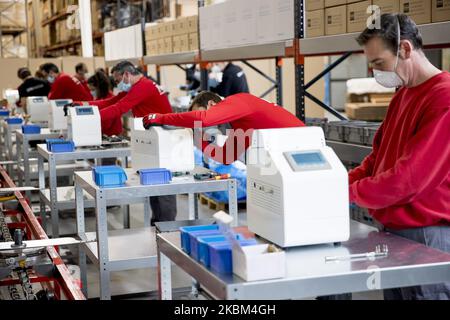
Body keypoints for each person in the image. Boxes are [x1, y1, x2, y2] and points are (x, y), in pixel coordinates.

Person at [350, 13, 450, 300]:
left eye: (379, 63)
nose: (375, 73)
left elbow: (410, 179)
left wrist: (350, 193)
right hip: (393, 232)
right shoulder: (403, 94)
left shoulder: (443, 97)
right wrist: (337, 181)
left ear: (405, 49)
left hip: (428, 235)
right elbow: (377, 159)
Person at [75, 60, 176, 225]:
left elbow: (119, 109)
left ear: (127, 75)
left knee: (163, 186)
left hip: (164, 141)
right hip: (152, 139)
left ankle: (166, 226)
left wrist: (89, 118)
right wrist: (81, 106)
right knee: (153, 182)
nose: (117, 83)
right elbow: (111, 102)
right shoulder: (138, 86)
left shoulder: (144, 87)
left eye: (117, 79)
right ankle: (157, 223)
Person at [143, 91, 305, 165]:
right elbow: (226, 157)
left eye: (195, 114)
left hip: (303, 146)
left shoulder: (239, 100)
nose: (196, 123)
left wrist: (160, 117)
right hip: (289, 155)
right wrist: (199, 141)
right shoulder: (240, 124)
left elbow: (203, 119)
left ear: (211, 104)